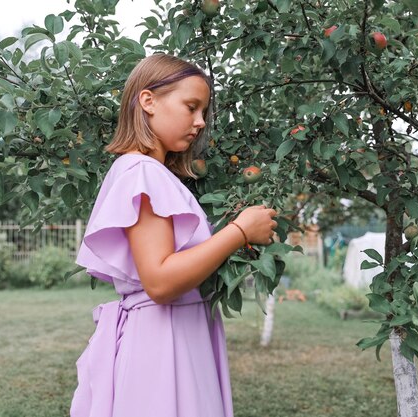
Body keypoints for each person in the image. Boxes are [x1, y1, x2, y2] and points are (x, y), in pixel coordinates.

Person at [70, 53, 278, 417]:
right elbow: (161, 282)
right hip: (162, 343)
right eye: (191, 107)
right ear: (148, 101)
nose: (199, 123)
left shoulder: (153, 174)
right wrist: (239, 230)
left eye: (203, 113)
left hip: (174, 334)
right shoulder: (141, 172)